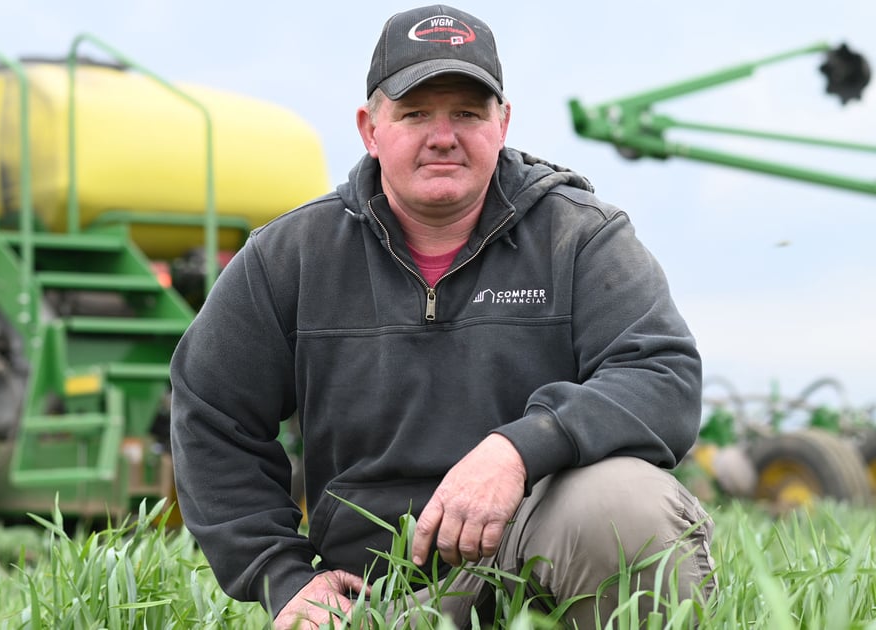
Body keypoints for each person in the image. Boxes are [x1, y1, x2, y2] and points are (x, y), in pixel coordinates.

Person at [170, 4, 716, 628]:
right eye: (415, 114)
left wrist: (517, 450)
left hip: (539, 561)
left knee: (628, 505)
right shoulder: (290, 255)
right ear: (369, 128)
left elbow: (662, 375)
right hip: (373, 594)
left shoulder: (581, 238)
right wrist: (282, 576)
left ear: (502, 123)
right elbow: (211, 412)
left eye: (466, 112)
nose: (443, 135)